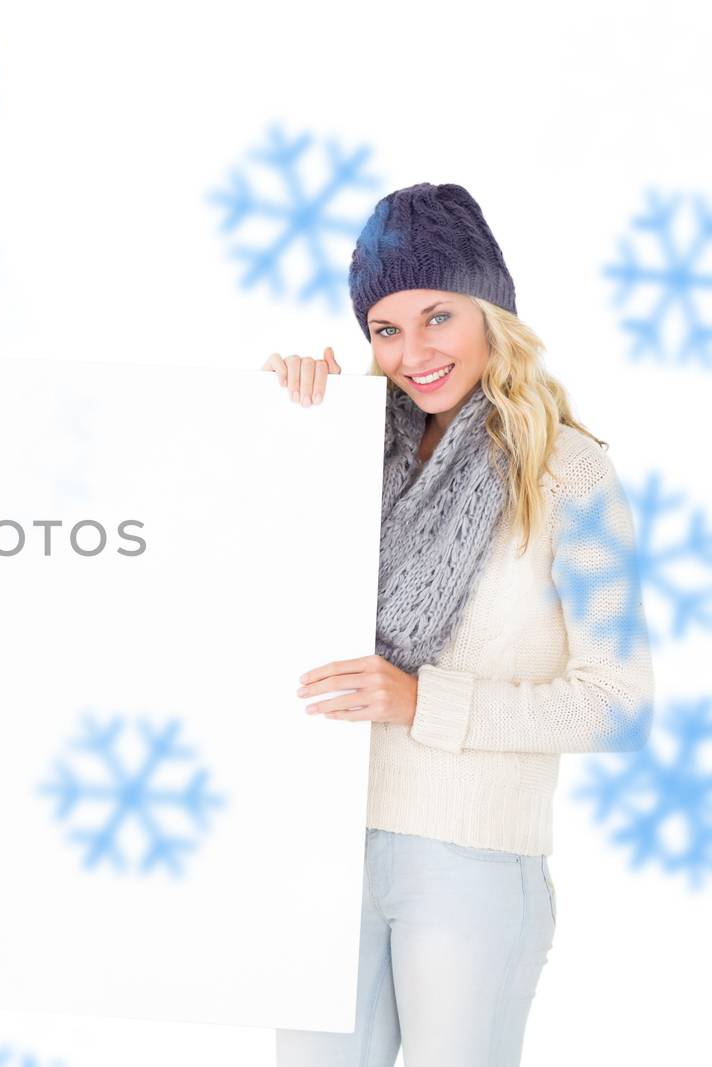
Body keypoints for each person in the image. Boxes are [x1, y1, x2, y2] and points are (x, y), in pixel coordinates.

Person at [259, 183, 655, 1066]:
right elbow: (253, 589)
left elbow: (619, 704)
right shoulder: (350, 449)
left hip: (472, 861)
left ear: (490, 310)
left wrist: (423, 702)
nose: (413, 352)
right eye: (386, 330)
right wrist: (283, 427)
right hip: (321, 846)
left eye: (437, 316)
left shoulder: (572, 475)